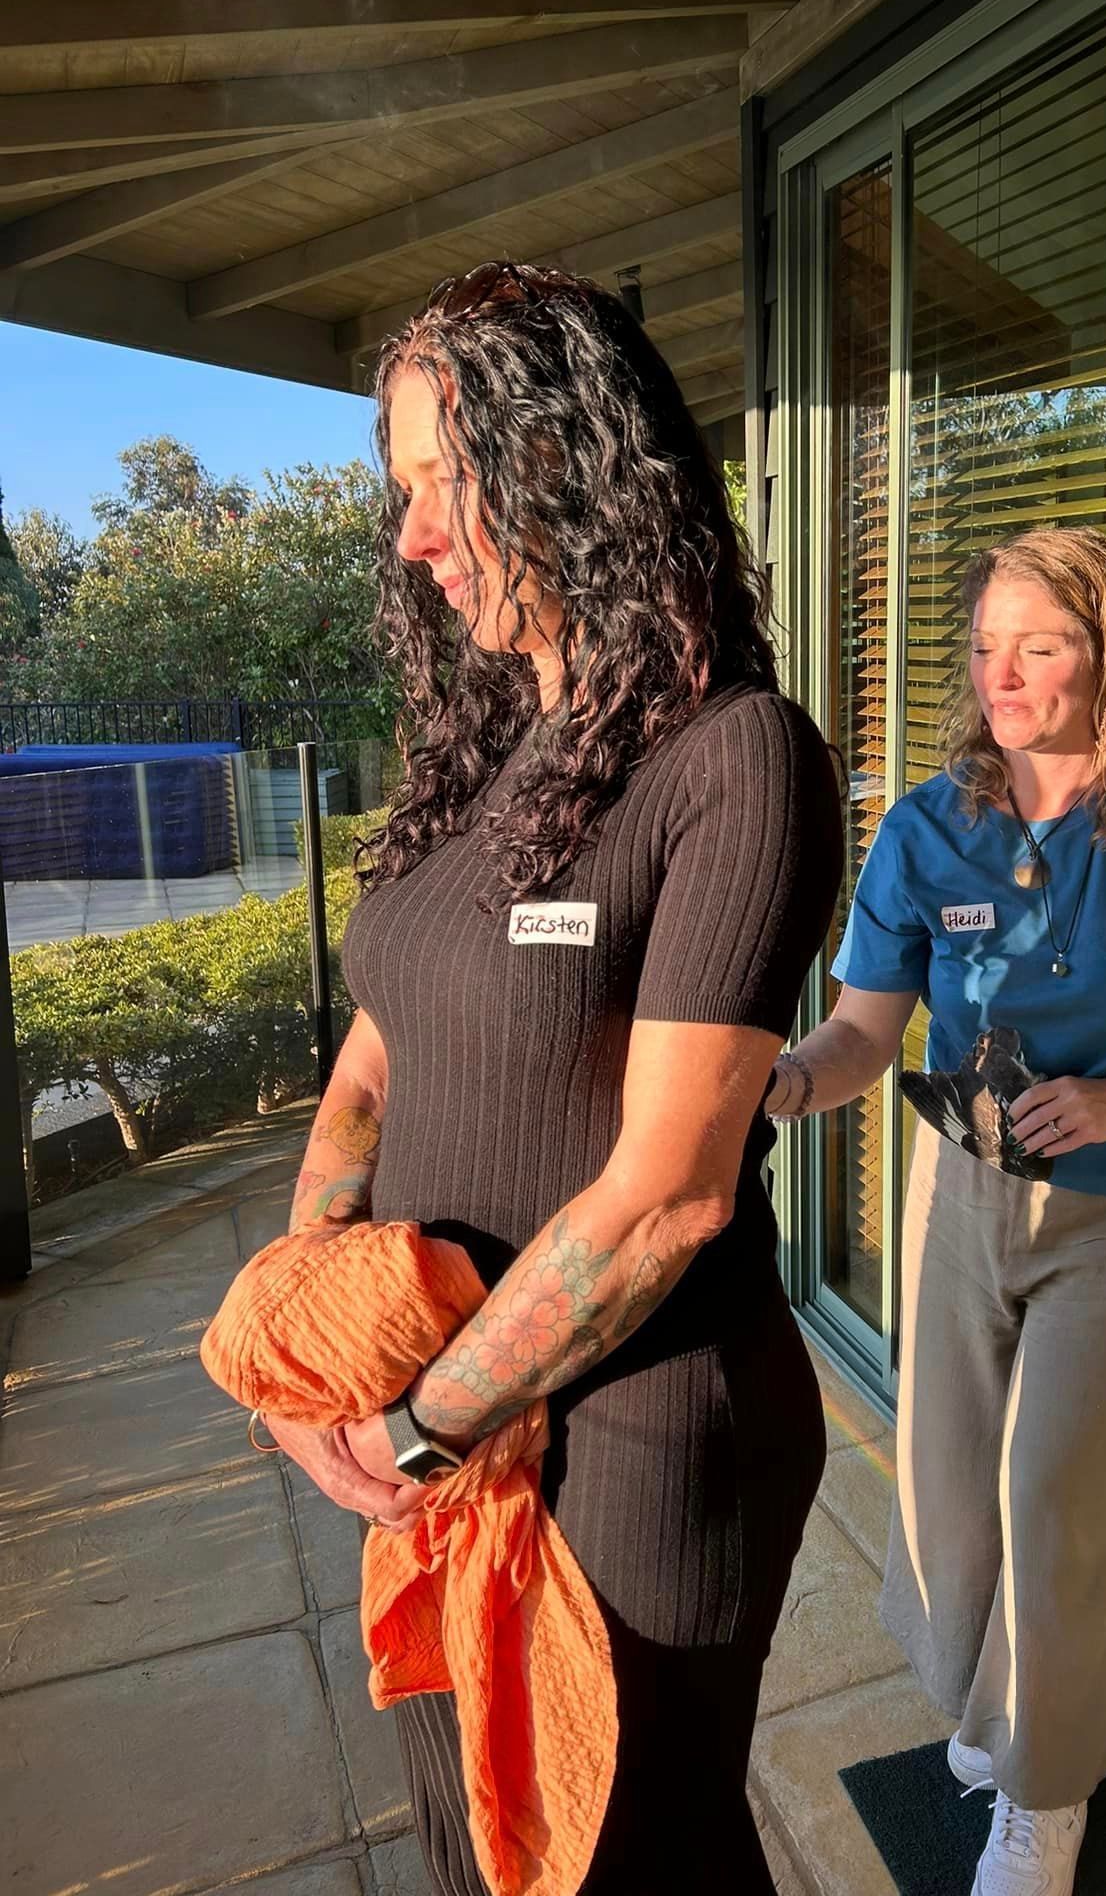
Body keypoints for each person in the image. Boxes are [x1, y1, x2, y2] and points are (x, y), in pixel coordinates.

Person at [261, 261, 843, 1896]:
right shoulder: (487, 751)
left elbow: (672, 1194)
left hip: (637, 1449)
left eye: (450, 482)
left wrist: (422, 1424)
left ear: (577, 466)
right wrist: (317, 1307)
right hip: (440, 1435)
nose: (414, 537)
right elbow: (375, 1051)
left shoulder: (737, 758)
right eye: (405, 492)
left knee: (618, 1853)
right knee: (470, 1831)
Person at [763, 528, 1106, 1896]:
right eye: (990, 645)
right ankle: (1007, 1713)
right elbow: (863, 1033)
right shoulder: (928, 824)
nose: (1005, 674)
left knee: (1069, 1499)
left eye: (1041, 645)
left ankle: (1042, 1796)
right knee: (950, 1485)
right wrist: (771, 1087)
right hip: (970, 1189)